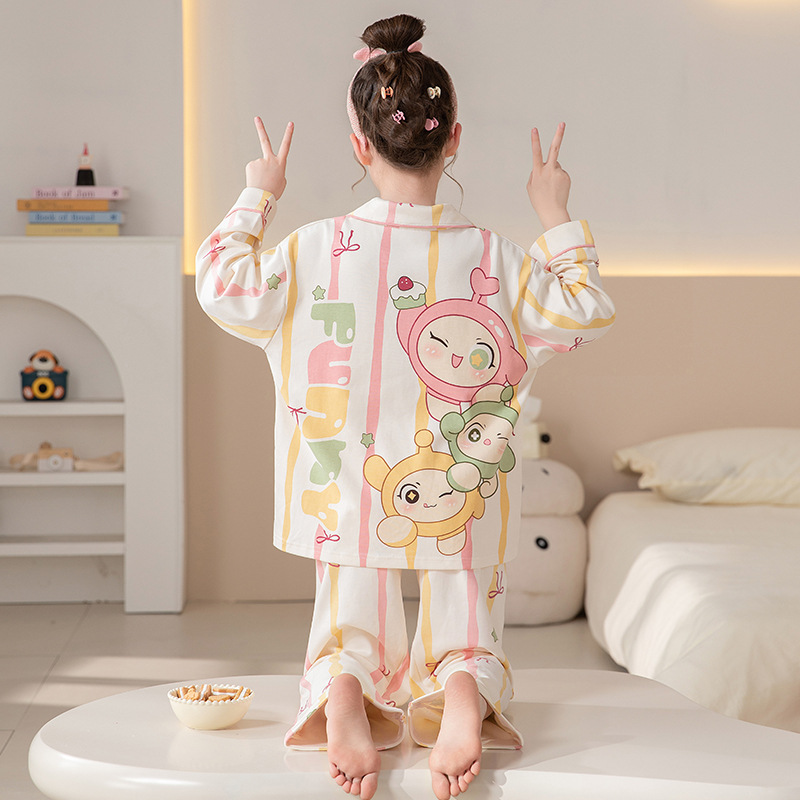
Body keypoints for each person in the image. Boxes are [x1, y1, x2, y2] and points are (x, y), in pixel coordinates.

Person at [196, 13, 615, 800]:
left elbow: (221, 285)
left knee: (347, 608)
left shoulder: (313, 248)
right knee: (467, 599)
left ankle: (345, 687)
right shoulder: (497, 257)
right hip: (463, 483)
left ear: (360, 145)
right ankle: (462, 687)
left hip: (347, 483)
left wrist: (260, 194)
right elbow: (585, 308)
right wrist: (553, 209)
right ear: (453, 139)